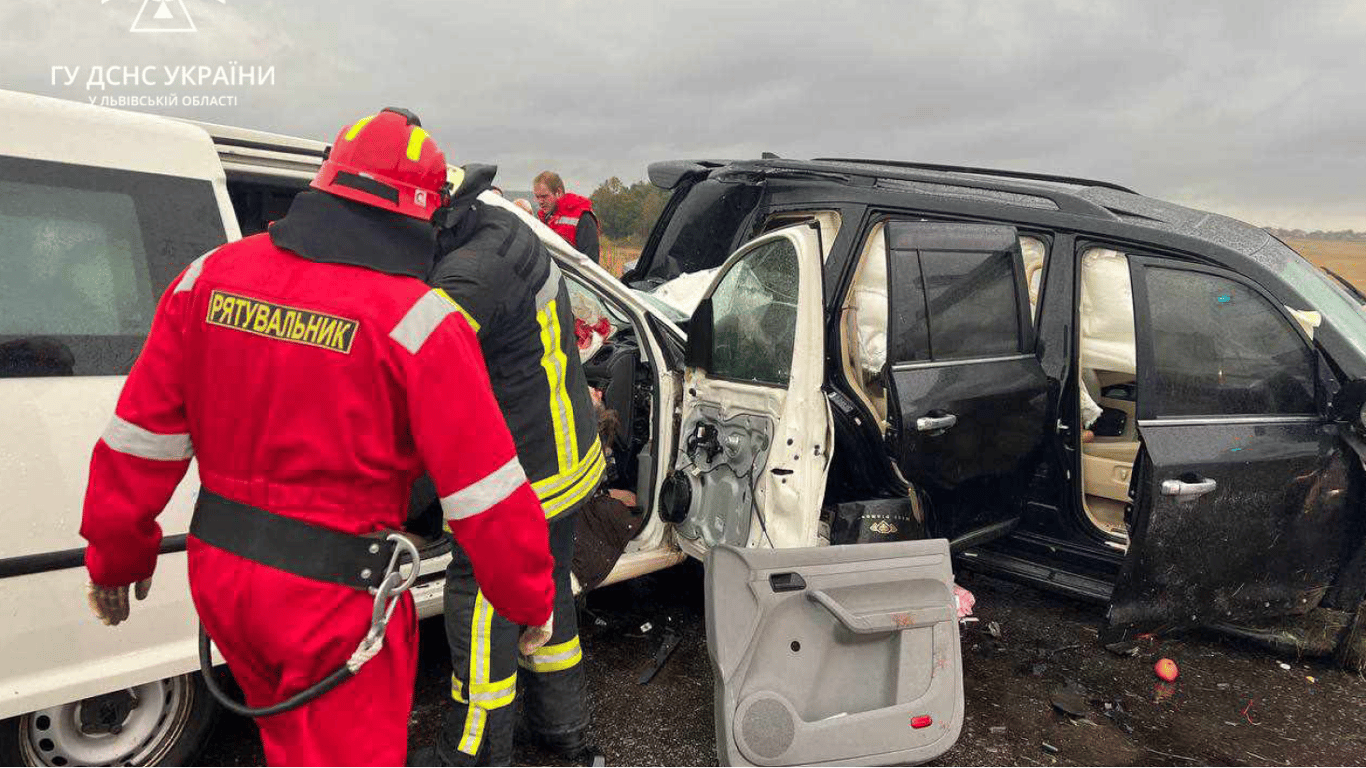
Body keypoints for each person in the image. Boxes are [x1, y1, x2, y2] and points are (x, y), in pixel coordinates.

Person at [79, 108, 556, 767]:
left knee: (291, 743)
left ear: (326, 182)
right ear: (424, 212)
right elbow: (485, 496)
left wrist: (115, 555)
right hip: (330, 600)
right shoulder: (418, 323)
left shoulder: (208, 276)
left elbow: (140, 440)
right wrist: (529, 597)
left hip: (222, 578)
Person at [425, 165, 604, 765]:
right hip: (565, 456)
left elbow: (417, 379)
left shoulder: (466, 279)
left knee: (480, 605)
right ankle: (564, 733)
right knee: (548, 592)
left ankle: (473, 754)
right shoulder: (502, 226)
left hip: (522, 474)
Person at [533, 170, 600, 264]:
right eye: (537, 197)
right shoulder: (543, 219)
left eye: (544, 196)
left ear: (559, 192)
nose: (540, 201)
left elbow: (591, 262)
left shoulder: (583, 218)